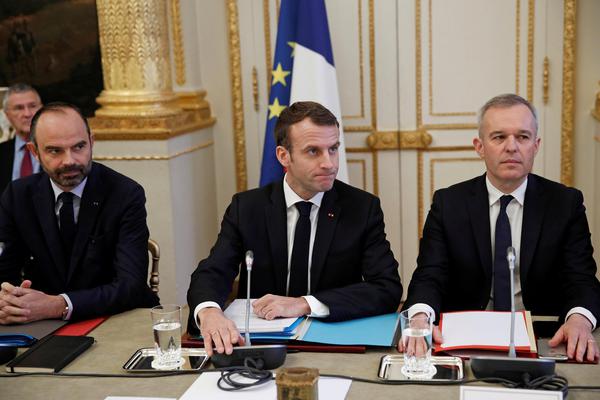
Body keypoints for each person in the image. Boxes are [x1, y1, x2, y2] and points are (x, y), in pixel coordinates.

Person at [187, 101, 402, 356]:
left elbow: (387, 288)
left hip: (334, 346)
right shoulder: (247, 208)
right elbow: (213, 271)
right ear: (283, 156)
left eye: (333, 149)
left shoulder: (362, 207)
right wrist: (209, 312)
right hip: (261, 346)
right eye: (313, 151)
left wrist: (304, 304)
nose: (329, 163)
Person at [401, 93, 600, 363]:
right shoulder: (448, 203)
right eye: (499, 137)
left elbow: (581, 278)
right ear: (480, 146)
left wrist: (579, 319)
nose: (511, 147)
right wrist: (419, 317)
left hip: (542, 338)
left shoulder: (565, 204)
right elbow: (429, 274)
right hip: (465, 337)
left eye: (523, 137)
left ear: (536, 145)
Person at [0, 102, 159, 324]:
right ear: (34, 152)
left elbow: (130, 286)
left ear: (91, 142)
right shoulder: (18, 196)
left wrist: (59, 305)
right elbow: (5, 272)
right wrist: (7, 300)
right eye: (55, 151)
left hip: (115, 317)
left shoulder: (124, 194)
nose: (70, 160)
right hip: (40, 324)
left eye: (79, 147)